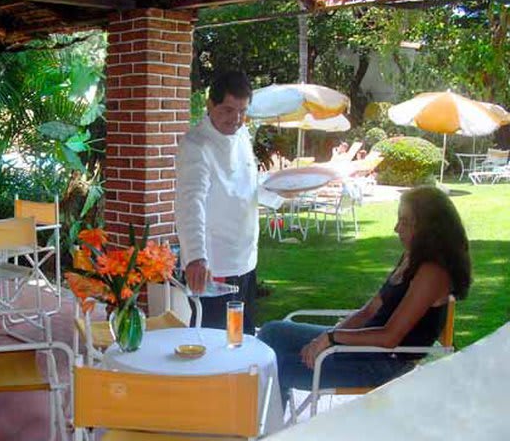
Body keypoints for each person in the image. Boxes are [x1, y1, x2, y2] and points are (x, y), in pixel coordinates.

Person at [258, 186, 471, 410]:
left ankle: (264, 429)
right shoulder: (412, 256)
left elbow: (390, 338)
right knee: (273, 332)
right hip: (362, 347)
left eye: (405, 222)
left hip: (381, 365)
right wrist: (326, 338)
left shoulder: (432, 273)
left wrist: (332, 339)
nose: (396, 228)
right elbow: (370, 311)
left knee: (272, 366)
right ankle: (267, 421)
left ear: (430, 228)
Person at [175, 70, 258, 334]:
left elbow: (244, 187)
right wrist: (196, 257)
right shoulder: (196, 145)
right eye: (227, 110)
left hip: (246, 258)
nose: (235, 119)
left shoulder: (242, 134)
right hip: (215, 263)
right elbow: (190, 202)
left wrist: (278, 192)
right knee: (211, 340)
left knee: (241, 337)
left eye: (242, 111)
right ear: (210, 105)